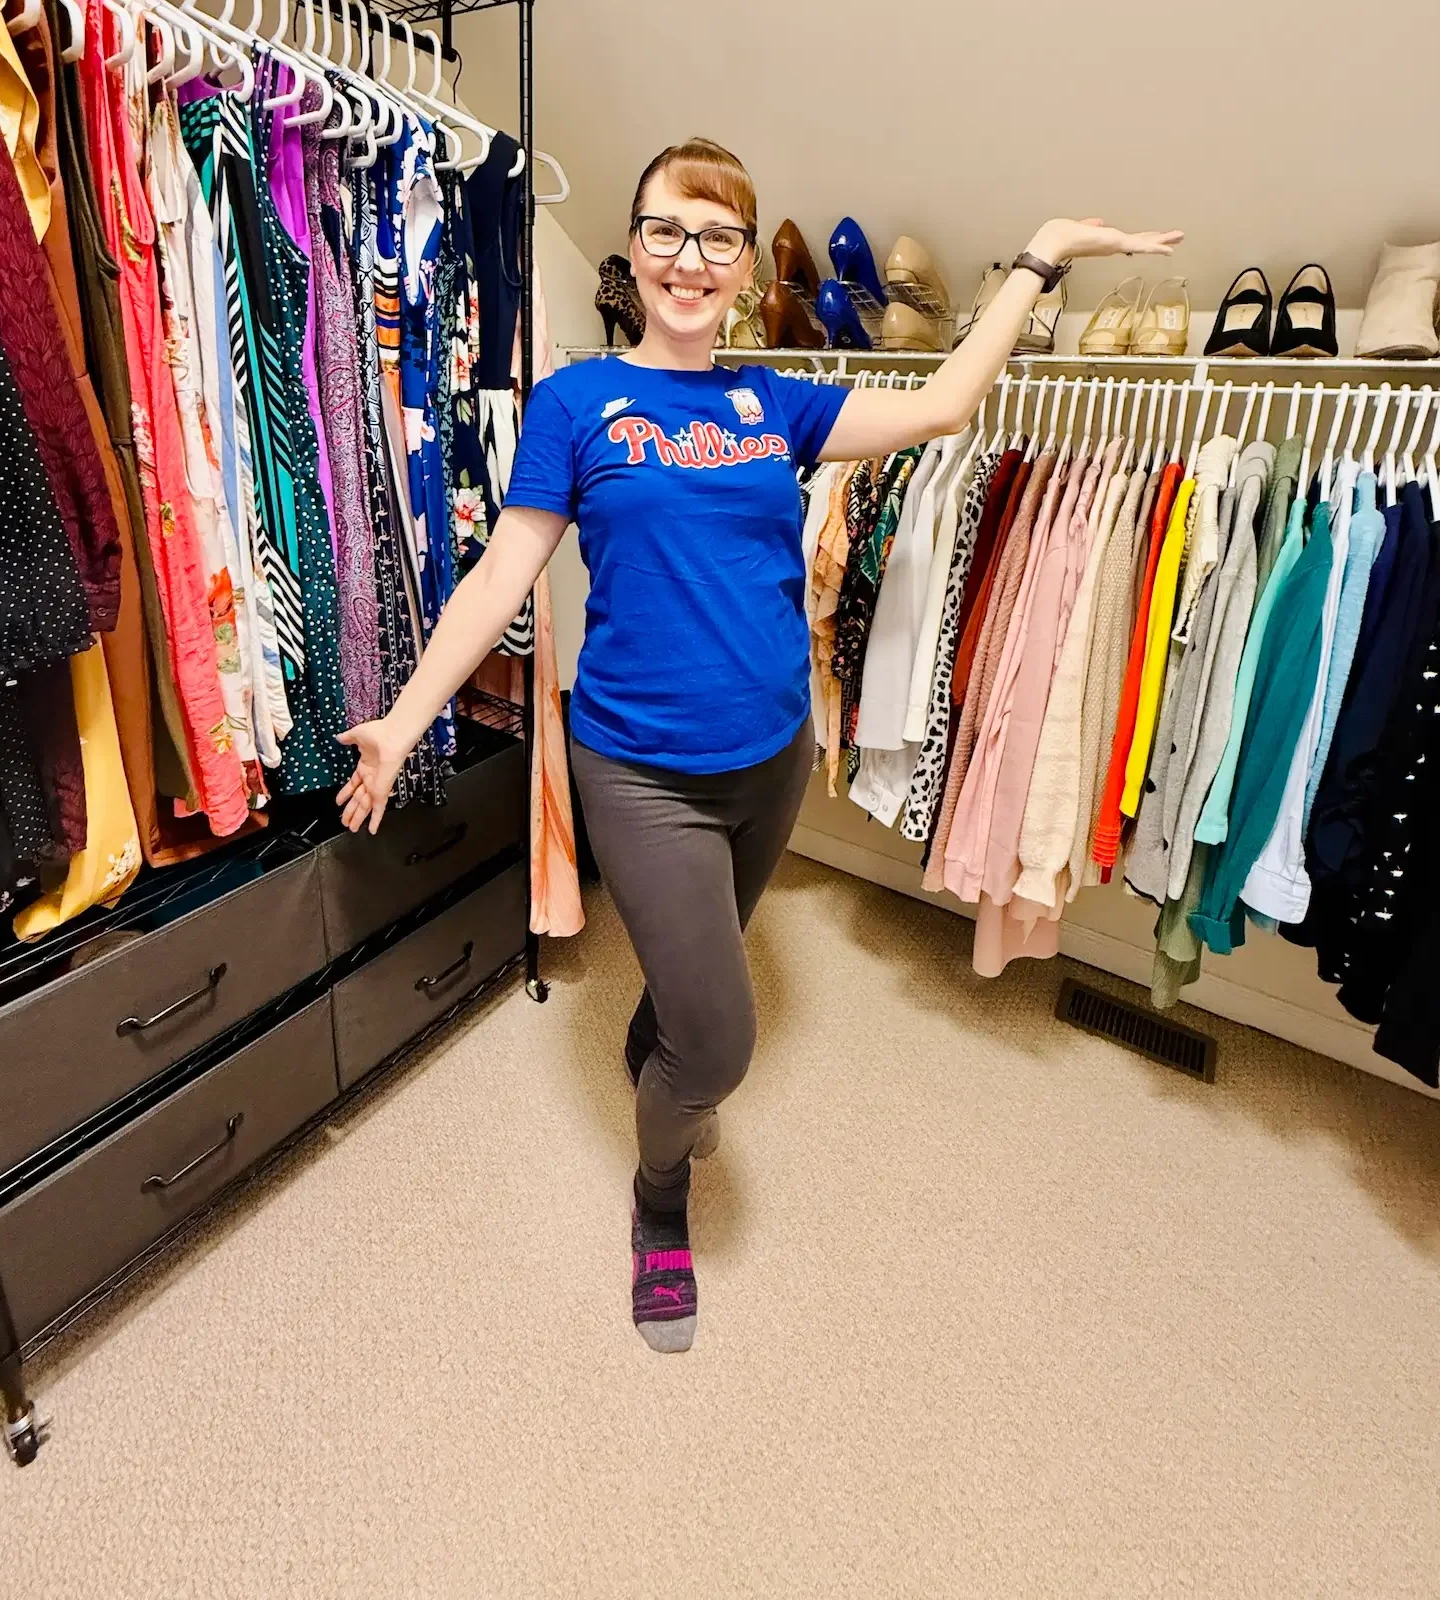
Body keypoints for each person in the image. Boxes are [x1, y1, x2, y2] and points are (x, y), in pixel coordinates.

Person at [337, 138, 1182, 1353]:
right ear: (635, 246)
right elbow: (501, 575)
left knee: (695, 982)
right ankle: (658, 1197)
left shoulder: (777, 402)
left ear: (743, 264)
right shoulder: (577, 401)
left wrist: (1041, 256)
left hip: (771, 757)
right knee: (723, 1043)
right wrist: (405, 717)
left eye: (719, 237)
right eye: (667, 231)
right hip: (639, 768)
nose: (690, 259)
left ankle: (656, 1042)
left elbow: (945, 402)